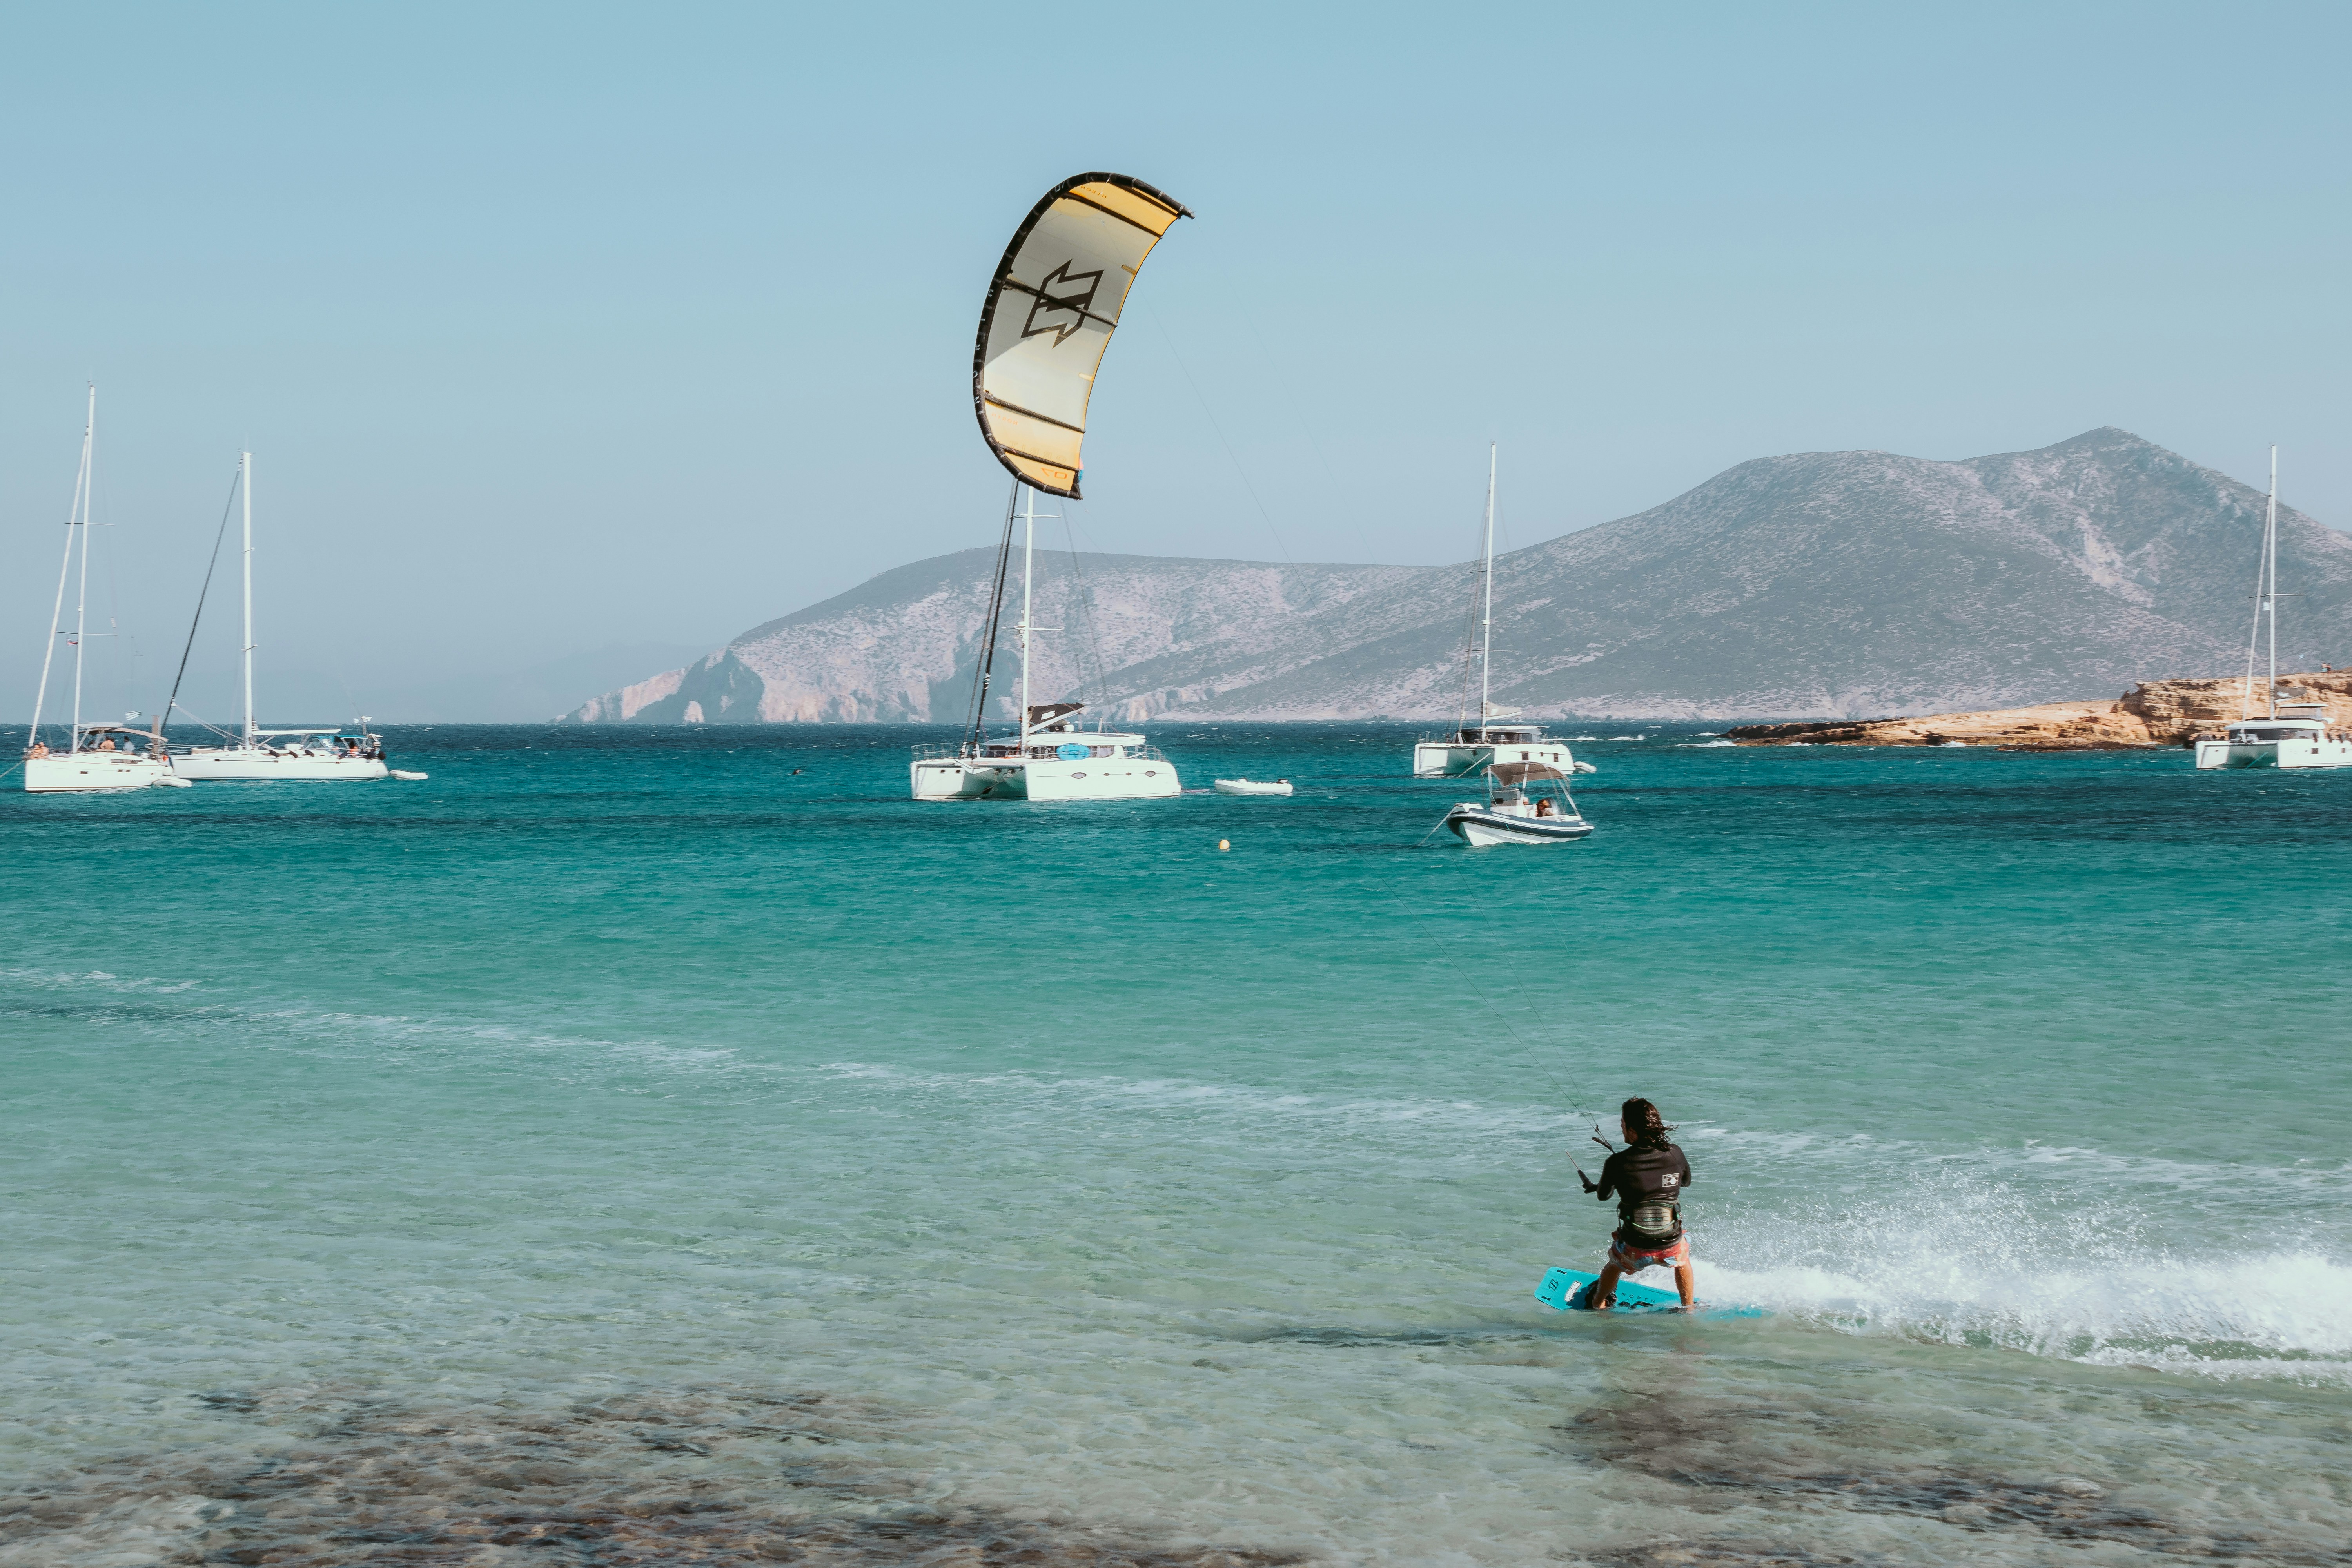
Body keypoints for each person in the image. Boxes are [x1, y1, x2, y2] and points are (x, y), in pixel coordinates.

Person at [1579, 1097, 1695, 1310]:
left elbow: (1604, 1196)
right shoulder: (1675, 1153)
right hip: (1670, 1243)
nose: (1621, 1126)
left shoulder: (1616, 1163)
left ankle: (1599, 1303)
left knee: (1614, 1265)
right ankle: (1688, 1307)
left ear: (1633, 1131)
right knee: (1683, 1259)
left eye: (1623, 1122)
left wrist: (1600, 1185)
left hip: (1635, 1247)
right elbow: (1685, 1182)